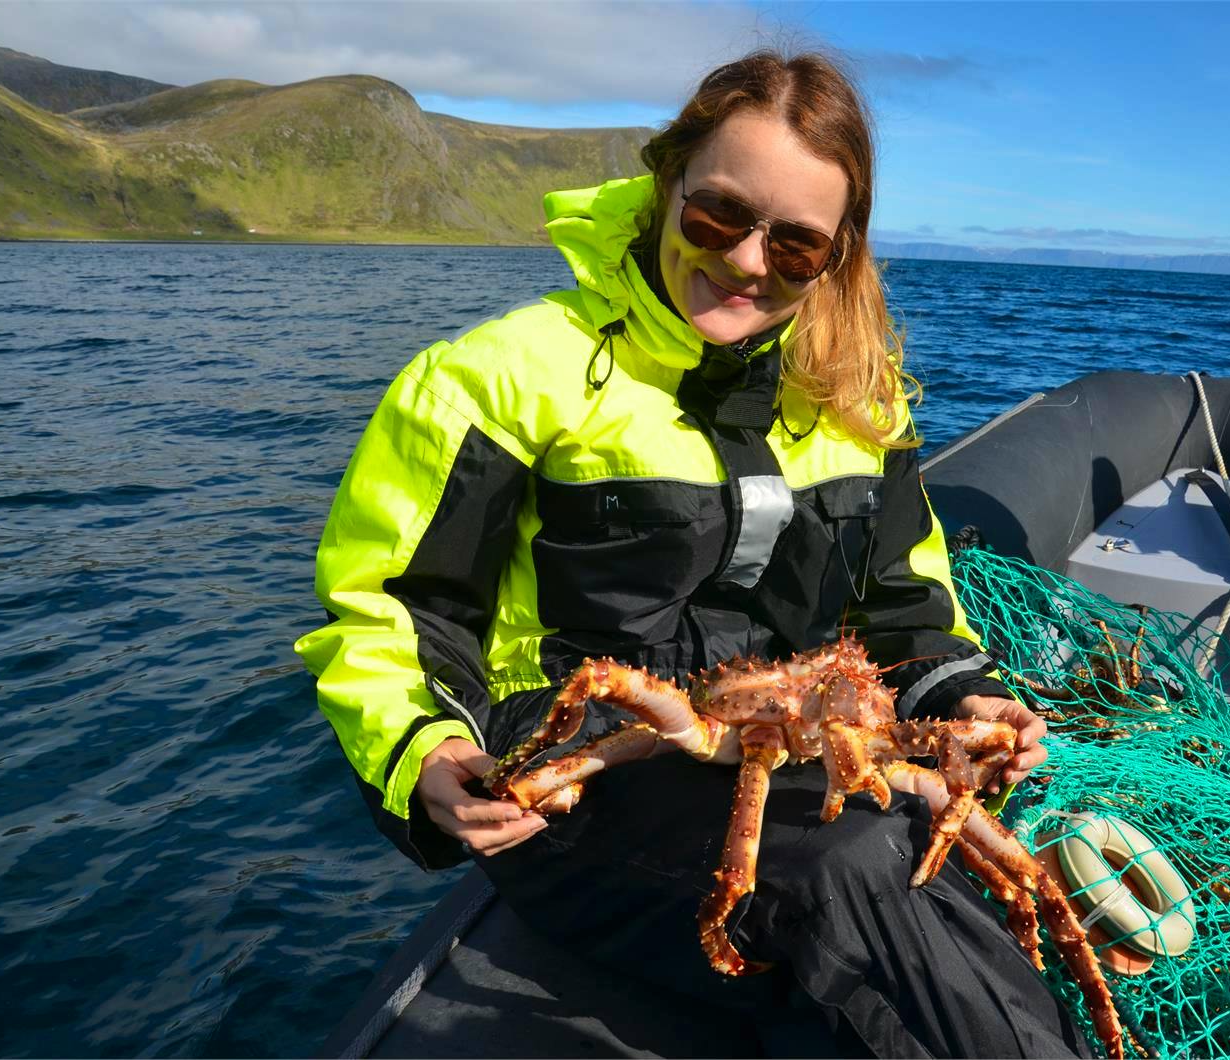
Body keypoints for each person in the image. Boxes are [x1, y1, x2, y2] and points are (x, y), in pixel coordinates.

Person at [296, 51, 1084, 1057]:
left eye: (795, 246)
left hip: (798, 734)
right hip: (579, 759)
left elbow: (905, 605)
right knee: (848, 863)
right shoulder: (494, 377)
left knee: (935, 838)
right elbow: (391, 609)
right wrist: (427, 750)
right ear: (667, 183)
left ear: (834, 255)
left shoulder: (857, 399)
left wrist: (965, 697)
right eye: (719, 216)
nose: (749, 261)